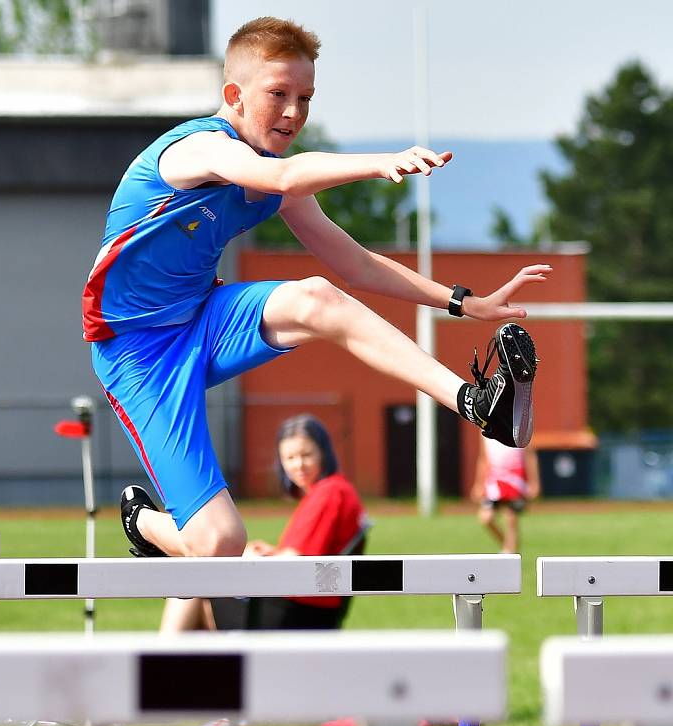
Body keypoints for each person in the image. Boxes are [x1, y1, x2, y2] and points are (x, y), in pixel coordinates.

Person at [81, 16, 551, 562]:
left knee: (320, 297)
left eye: (305, 98)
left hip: (203, 317)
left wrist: (463, 302)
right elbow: (279, 179)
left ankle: (476, 404)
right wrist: (381, 162)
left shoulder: (273, 172)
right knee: (221, 544)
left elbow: (354, 265)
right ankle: (146, 524)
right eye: (278, 95)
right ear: (233, 94)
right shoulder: (198, 150)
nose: (293, 113)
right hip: (137, 354)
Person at [160, 413, 368, 632]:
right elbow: (305, 557)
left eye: (306, 455)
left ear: (323, 453)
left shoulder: (329, 493)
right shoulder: (337, 489)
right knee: (200, 584)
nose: (299, 465)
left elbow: (296, 561)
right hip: (309, 608)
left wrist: (257, 557)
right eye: (290, 458)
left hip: (296, 613)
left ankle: (159, 659)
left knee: (194, 582)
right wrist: (270, 553)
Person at [470, 435, 541, 554]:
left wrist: (534, 482)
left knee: (511, 518)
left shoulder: (519, 424)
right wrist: (479, 483)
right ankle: (509, 548)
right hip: (494, 479)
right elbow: (483, 457)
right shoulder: (484, 427)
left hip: (514, 476)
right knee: (486, 518)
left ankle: (510, 553)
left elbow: (529, 455)